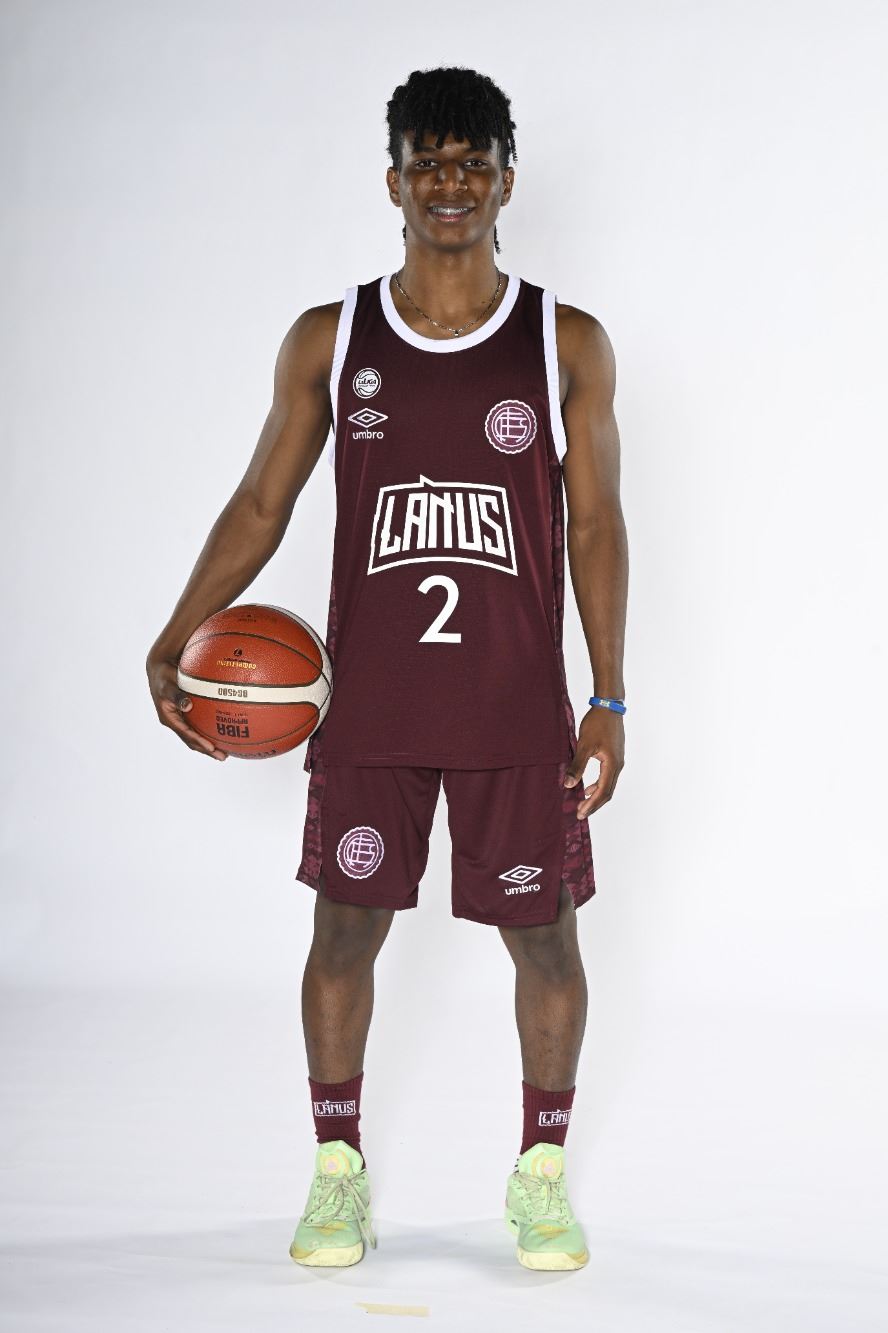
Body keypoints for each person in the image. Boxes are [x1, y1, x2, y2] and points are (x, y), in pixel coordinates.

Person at [146, 65, 628, 1274]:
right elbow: (262, 502)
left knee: (547, 942)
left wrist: (609, 695)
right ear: (394, 181)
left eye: (472, 163)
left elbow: (596, 526)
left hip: (515, 710)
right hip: (371, 706)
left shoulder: (564, 340)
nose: (449, 182)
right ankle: (337, 1172)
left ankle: (542, 1175)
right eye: (428, 163)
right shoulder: (334, 337)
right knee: (346, 930)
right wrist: (176, 631)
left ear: (507, 181)